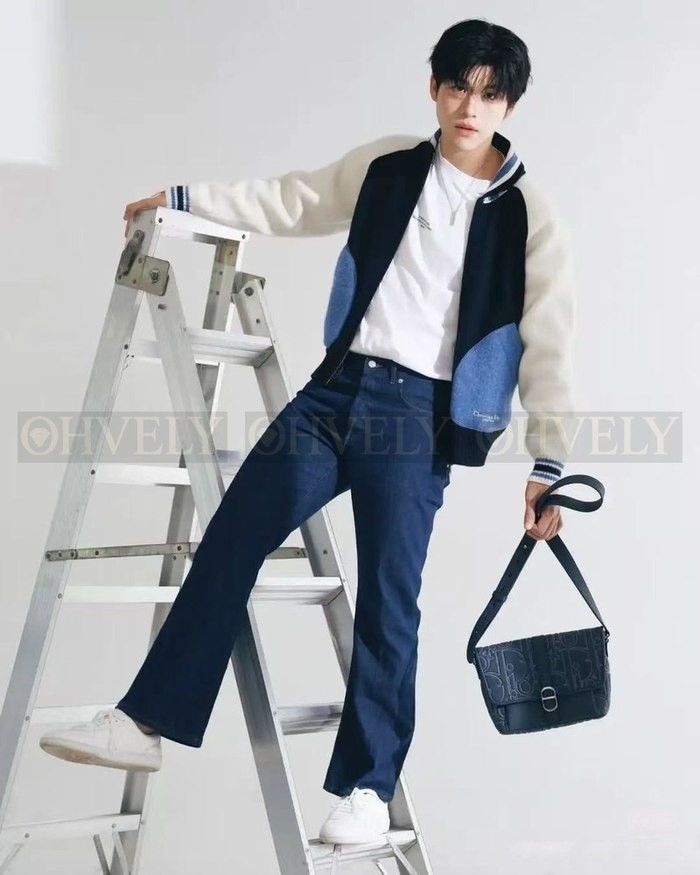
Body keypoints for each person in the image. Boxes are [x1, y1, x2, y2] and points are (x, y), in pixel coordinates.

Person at [39, 18, 574, 846]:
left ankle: (368, 785)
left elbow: (549, 341)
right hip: (336, 393)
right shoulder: (390, 166)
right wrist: (183, 200)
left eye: (490, 94)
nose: (471, 107)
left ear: (510, 105)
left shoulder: (529, 214)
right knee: (234, 532)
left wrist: (551, 461)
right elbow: (292, 198)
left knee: (389, 601)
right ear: (434, 88)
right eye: (458, 87)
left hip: (419, 419)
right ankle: (148, 719)